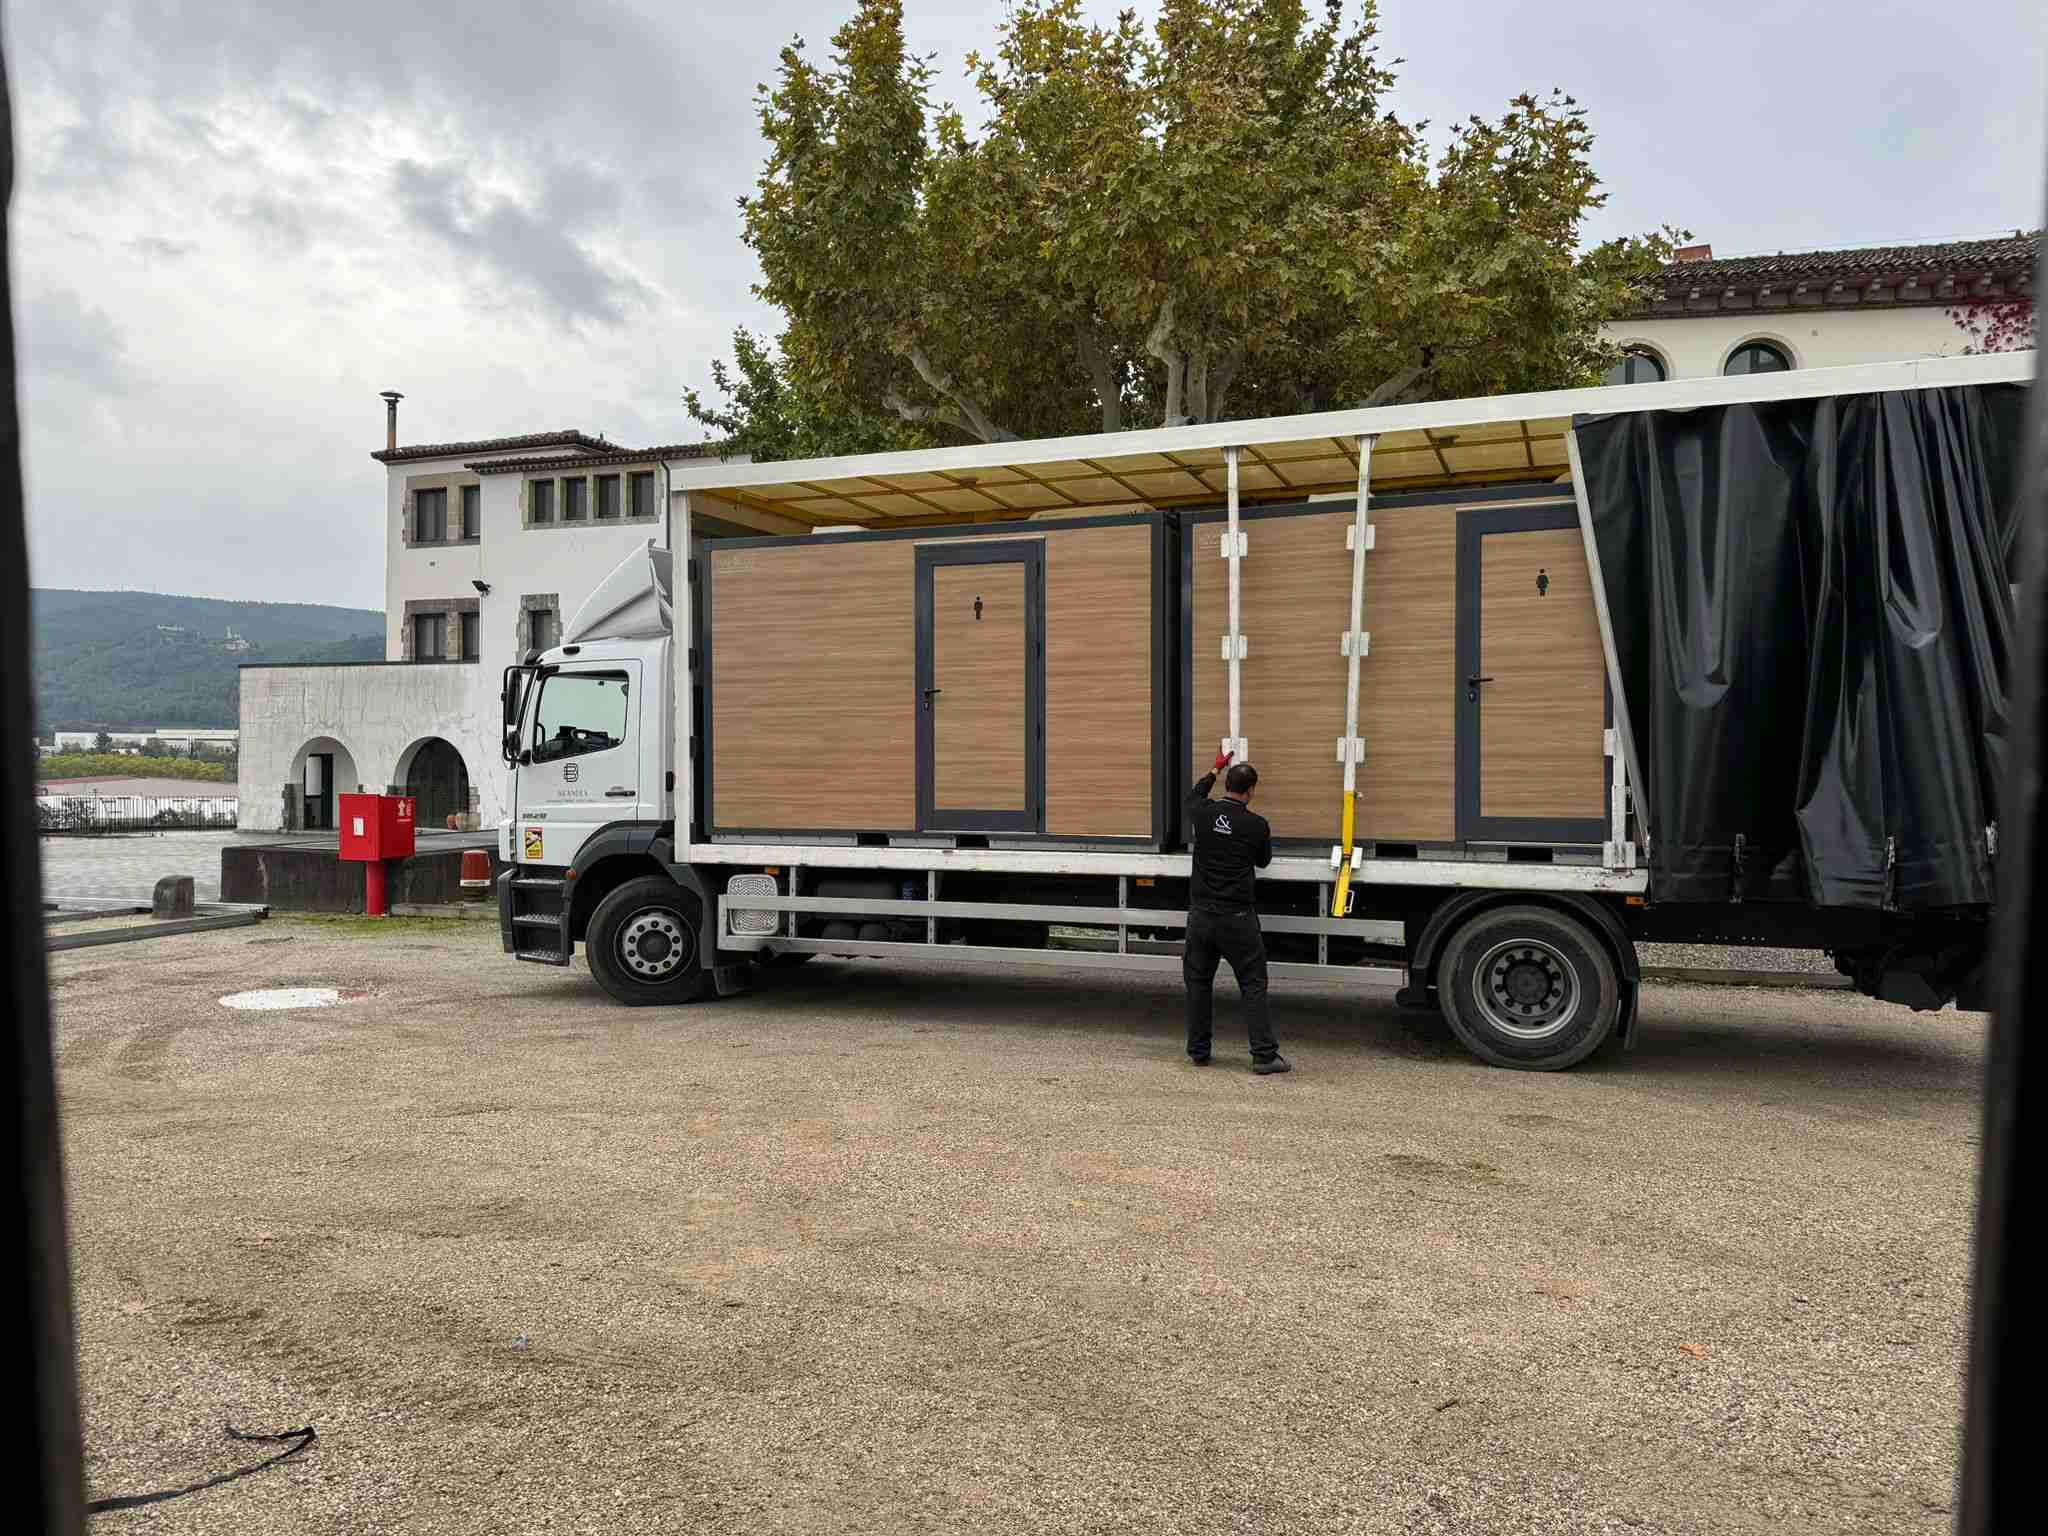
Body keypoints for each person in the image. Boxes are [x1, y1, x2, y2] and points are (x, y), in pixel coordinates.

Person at [1183, 750, 1288, 1074]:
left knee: (1198, 982)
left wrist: (1214, 769)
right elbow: (1263, 862)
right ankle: (1264, 1056)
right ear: (1251, 790)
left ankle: (1199, 1052)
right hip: (1238, 918)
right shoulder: (1256, 825)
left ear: (1227, 784)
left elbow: (1193, 796)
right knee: (1253, 984)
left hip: (1201, 916)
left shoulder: (1202, 813)